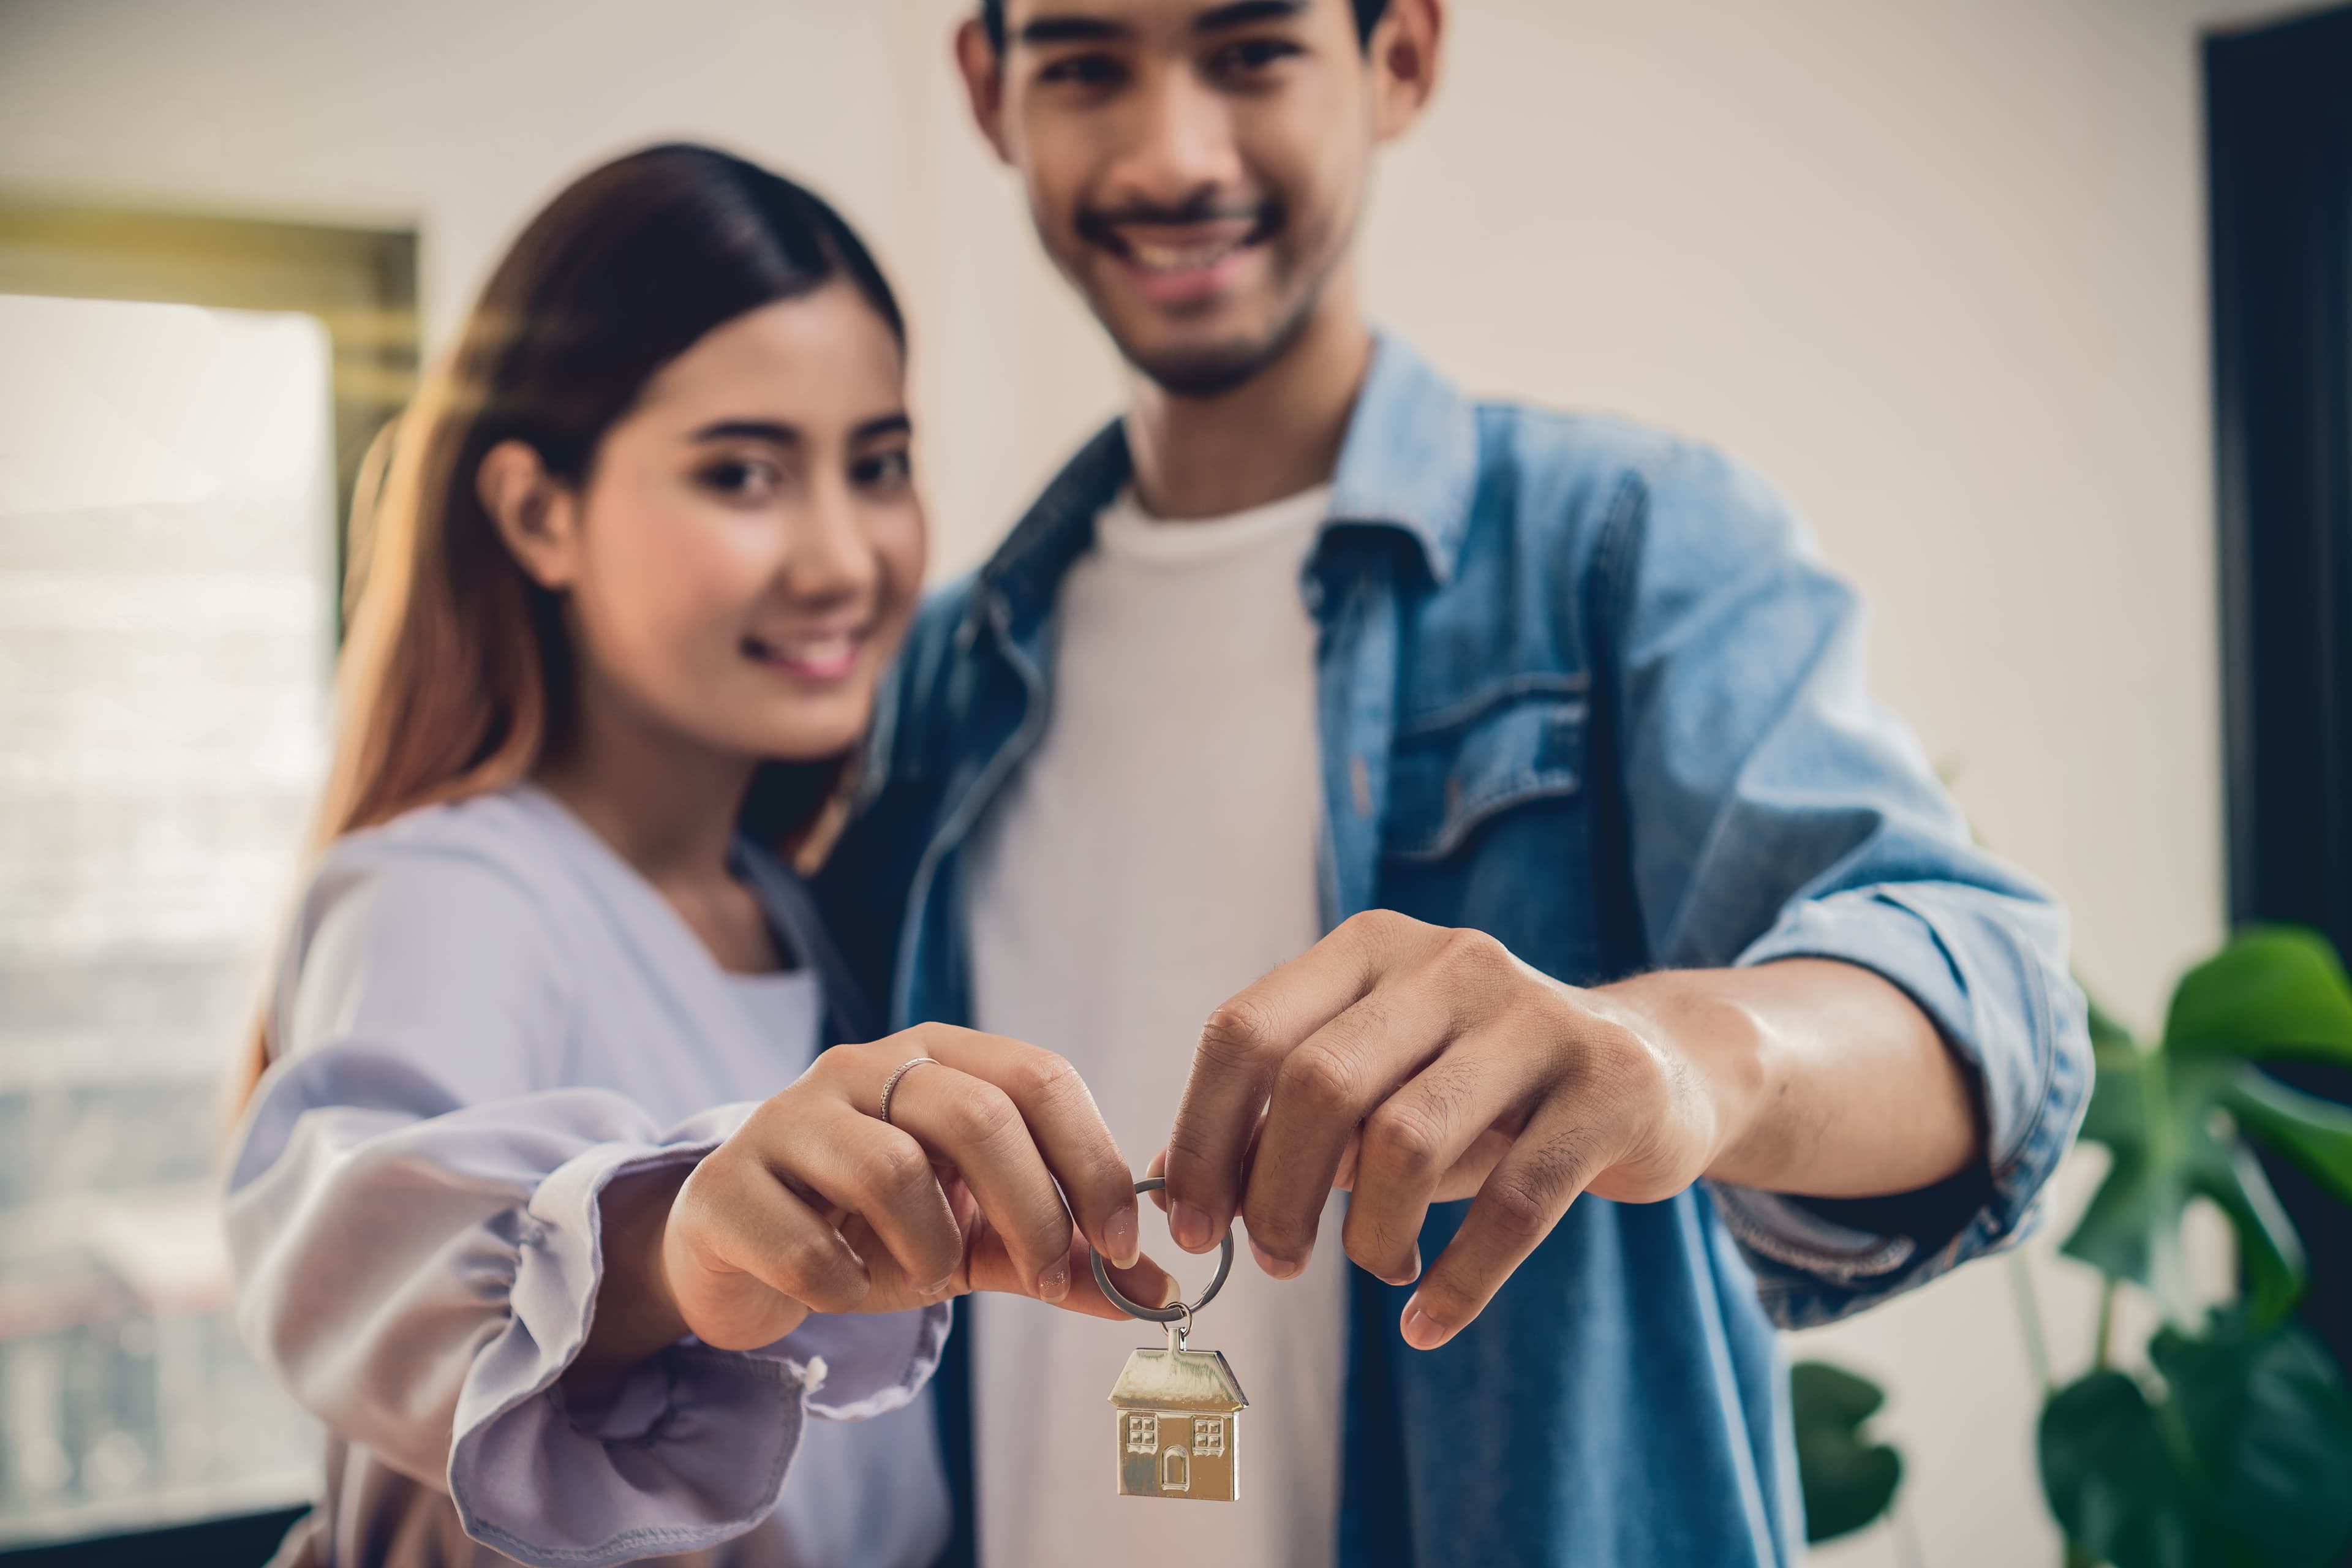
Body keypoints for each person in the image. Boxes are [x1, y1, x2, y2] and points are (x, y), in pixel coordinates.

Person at [816, 2, 2091, 1564]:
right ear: (987, 90)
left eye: (1251, 51)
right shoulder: (938, 669)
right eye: (1087, 65)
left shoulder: (1624, 543)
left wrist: (1682, 1054)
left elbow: (1998, 1015)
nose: (1170, 153)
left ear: (1400, 59)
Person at [224, 144, 1167, 1568]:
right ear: (541, 512)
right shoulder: (452, 889)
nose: (843, 555)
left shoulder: (811, 915)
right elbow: (356, 1237)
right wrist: (680, 1234)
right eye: (744, 473)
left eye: (880, 465)